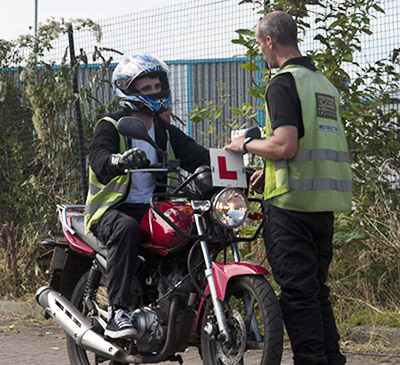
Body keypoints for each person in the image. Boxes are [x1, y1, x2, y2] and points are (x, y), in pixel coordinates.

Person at [224, 11, 352, 365]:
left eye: (260, 45)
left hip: (291, 204)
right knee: (316, 292)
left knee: (297, 294)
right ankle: (330, 360)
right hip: (322, 203)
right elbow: (306, 142)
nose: (261, 52)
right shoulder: (323, 84)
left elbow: (285, 145)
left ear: (270, 41)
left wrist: (245, 146)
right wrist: (269, 169)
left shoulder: (283, 82)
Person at [84, 55, 209, 340]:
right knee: (126, 229)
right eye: (146, 88)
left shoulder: (164, 130)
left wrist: (239, 165)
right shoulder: (111, 125)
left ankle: (186, 305)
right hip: (112, 210)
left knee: (194, 228)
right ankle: (118, 311)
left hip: (154, 208)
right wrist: (118, 160)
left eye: (157, 85)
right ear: (128, 92)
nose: (155, 92)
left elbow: (198, 155)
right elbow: (98, 158)